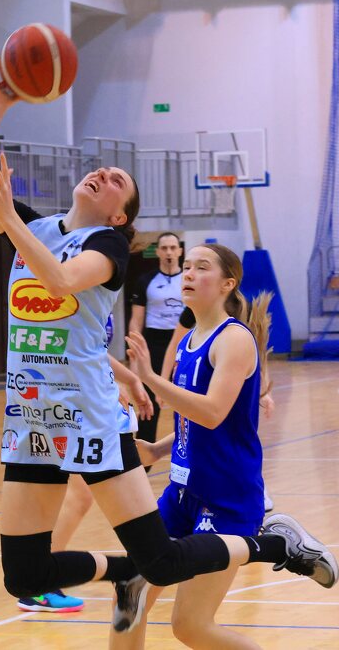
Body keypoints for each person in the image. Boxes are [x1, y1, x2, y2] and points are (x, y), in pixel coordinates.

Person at [0, 52, 338, 635]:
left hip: (88, 418)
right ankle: (122, 570)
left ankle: (272, 543)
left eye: (117, 182)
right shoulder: (39, 228)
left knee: (162, 560)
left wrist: (8, 220)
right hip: (30, 417)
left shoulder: (107, 246)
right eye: (102, 170)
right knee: (24, 573)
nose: (103, 175)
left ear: (120, 216)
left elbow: (59, 281)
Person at [109, 243, 277, 649]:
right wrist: (158, 450)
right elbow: (194, 424)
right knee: (129, 597)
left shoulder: (233, 339)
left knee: (189, 625)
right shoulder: (189, 341)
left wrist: (150, 378)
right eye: (186, 266)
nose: (188, 273)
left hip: (226, 498)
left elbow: (213, 413)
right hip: (182, 494)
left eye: (201, 267)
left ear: (227, 284)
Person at [17, 334, 154, 614]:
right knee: (74, 495)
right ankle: (40, 583)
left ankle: (39, 579)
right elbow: (72, 347)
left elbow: (91, 349)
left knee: (72, 496)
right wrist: (105, 384)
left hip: (68, 397)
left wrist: (129, 379)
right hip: (61, 398)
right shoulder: (74, 308)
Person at [159, 304, 276, 513]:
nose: (187, 280)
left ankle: (251, 491)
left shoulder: (235, 335)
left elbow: (257, 354)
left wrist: (263, 390)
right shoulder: (189, 334)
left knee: (226, 427)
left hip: (227, 482)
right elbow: (173, 344)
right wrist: (162, 380)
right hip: (189, 479)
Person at [128, 232, 184, 446]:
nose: (169, 252)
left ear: (180, 251)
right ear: (158, 252)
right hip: (155, 344)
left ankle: (189, 448)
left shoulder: (189, 280)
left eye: (173, 247)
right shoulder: (146, 281)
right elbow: (136, 321)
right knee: (150, 400)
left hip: (183, 343)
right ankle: (144, 452)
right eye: (165, 248)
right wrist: (134, 354)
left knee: (187, 395)